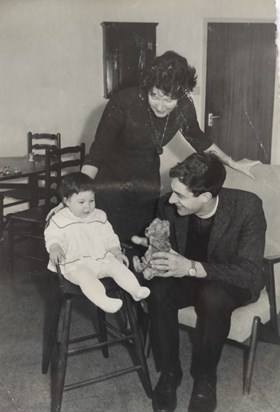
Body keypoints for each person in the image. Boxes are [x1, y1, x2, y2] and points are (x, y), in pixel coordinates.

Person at [132, 152, 266, 412]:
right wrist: (148, 261)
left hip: (227, 281)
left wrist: (192, 267)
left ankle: (205, 378)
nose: (171, 200)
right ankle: (170, 372)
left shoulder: (247, 207)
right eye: (173, 192)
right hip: (186, 277)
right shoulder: (168, 205)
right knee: (157, 289)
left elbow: (250, 272)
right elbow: (160, 247)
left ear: (205, 197)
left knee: (212, 297)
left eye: (180, 195)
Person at [80, 50, 260, 243]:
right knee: (108, 241)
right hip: (112, 181)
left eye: (169, 100)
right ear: (148, 87)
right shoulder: (123, 102)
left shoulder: (184, 107)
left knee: (141, 240)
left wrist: (232, 162)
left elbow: (198, 138)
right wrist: (77, 191)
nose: (160, 106)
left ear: (181, 94)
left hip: (147, 181)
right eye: (155, 96)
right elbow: (97, 152)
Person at [44, 172, 150, 313]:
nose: (87, 207)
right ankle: (103, 300)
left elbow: (109, 236)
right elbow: (52, 236)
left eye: (91, 201)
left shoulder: (99, 216)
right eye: (81, 202)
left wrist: (116, 252)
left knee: (118, 267)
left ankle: (135, 290)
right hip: (75, 264)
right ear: (67, 201)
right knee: (86, 277)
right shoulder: (59, 219)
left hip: (101, 259)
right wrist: (55, 247)